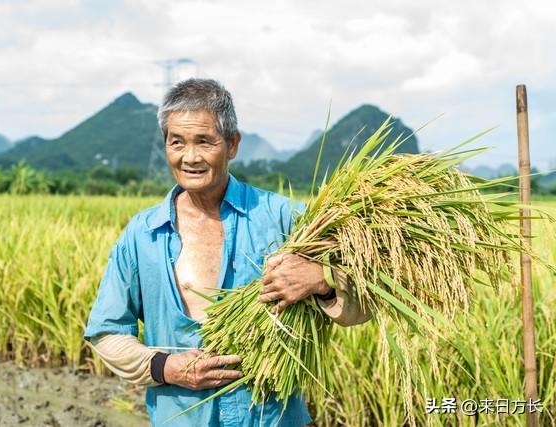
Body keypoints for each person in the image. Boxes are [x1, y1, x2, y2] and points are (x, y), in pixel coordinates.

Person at [84, 78, 370, 426]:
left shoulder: (284, 217)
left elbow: (363, 304)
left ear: (232, 144)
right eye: (177, 143)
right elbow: (106, 332)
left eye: (205, 142)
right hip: (182, 417)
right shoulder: (142, 236)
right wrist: (167, 367)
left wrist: (322, 281)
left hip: (271, 417)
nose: (190, 157)